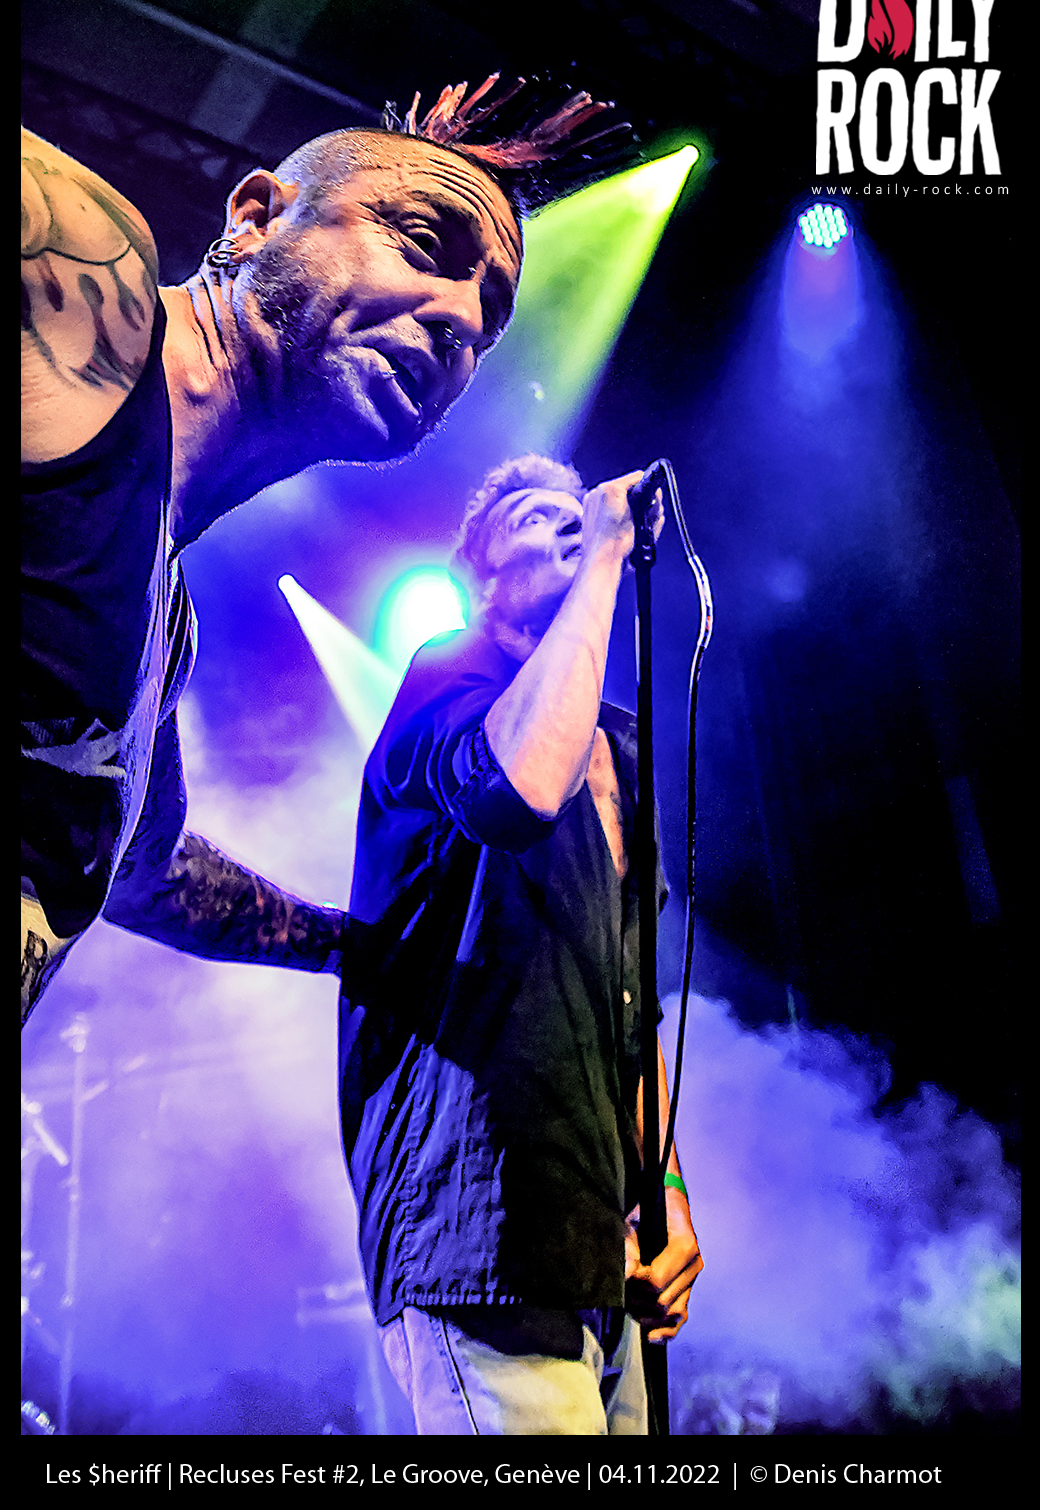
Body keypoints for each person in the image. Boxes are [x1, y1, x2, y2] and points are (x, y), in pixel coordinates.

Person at [21, 75, 624, 1027]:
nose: (465, 320)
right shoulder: (80, 271)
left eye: (492, 313)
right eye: (423, 241)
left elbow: (149, 875)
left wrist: (359, 947)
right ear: (256, 218)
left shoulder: (161, 642)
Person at [341, 454, 703, 1435]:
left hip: (606, 1259)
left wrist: (664, 1188)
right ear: (479, 575)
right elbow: (517, 789)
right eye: (536, 516)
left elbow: (629, 1010)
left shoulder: (620, 751)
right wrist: (605, 551)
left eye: (574, 510)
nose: (569, 522)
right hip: (484, 1241)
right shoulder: (445, 675)